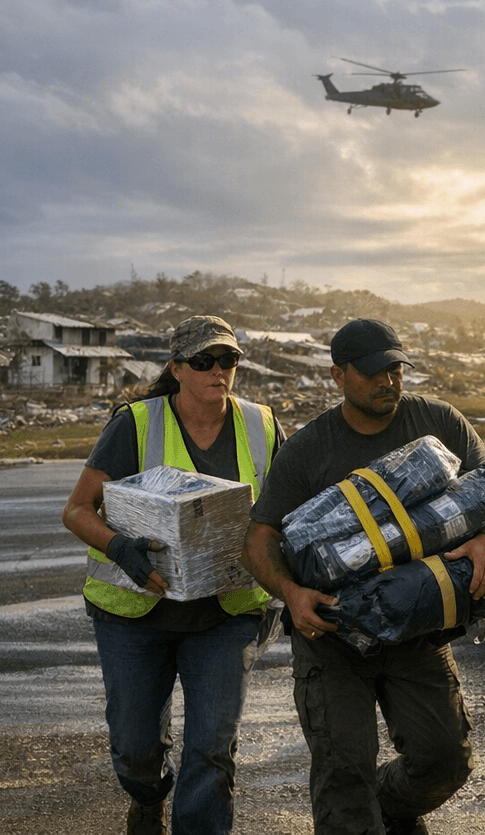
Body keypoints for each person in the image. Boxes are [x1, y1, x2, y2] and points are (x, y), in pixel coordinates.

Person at [242, 318, 485, 835]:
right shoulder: (309, 448)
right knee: (343, 772)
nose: (388, 382)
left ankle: (388, 807)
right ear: (338, 376)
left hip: (417, 628)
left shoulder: (439, 422)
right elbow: (258, 539)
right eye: (373, 373)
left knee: (445, 762)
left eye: (396, 369)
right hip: (331, 636)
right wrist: (291, 593)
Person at [61, 315, 282, 835]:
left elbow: (287, 511)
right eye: (204, 361)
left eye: (228, 360)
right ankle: (146, 795)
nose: (218, 371)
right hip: (136, 614)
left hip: (227, 614)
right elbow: (77, 510)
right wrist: (120, 548)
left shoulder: (262, 425)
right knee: (136, 747)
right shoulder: (136, 423)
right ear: (177, 368)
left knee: (211, 747)